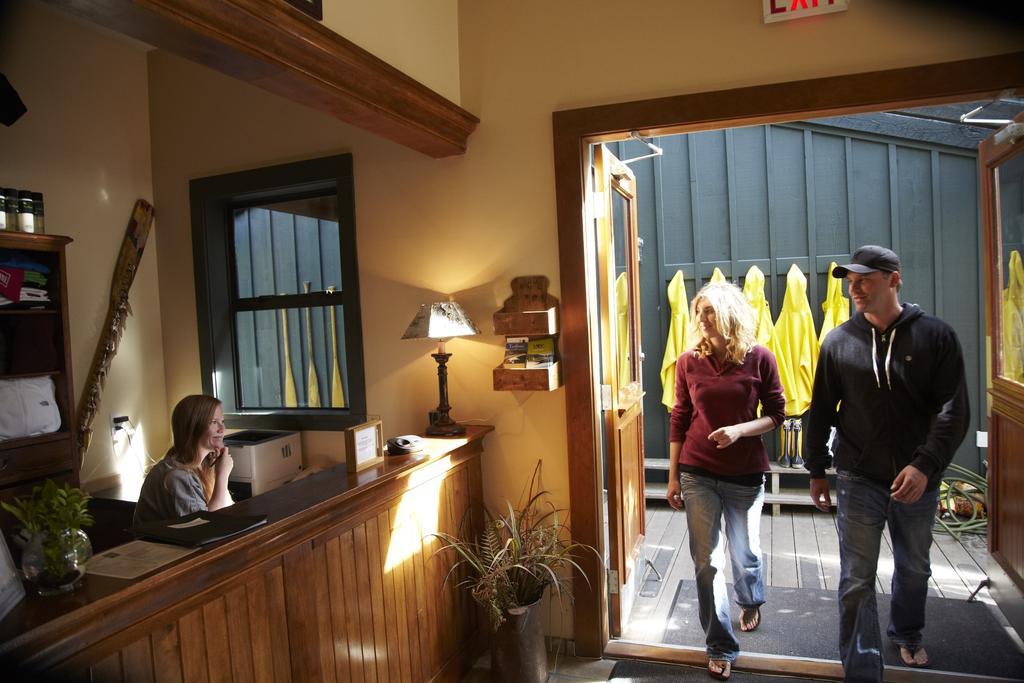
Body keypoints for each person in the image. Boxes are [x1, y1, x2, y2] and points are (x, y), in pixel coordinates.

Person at [805, 245, 969, 682]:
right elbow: (820, 409)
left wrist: (924, 466)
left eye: (865, 280)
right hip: (858, 477)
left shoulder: (936, 337)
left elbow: (954, 411)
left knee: (914, 568)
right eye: (850, 281)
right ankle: (861, 669)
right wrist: (817, 469)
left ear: (894, 280)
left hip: (918, 479)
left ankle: (908, 632)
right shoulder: (838, 341)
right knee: (857, 577)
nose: (854, 288)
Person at [666, 281, 786, 681]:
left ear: (730, 313)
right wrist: (673, 476)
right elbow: (680, 416)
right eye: (698, 312)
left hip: (745, 474)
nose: (701, 319)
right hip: (697, 471)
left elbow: (777, 414)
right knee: (707, 563)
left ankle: (750, 598)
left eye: (710, 311)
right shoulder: (687, 362)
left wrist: (739, 431)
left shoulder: (760, 358)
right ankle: (719, 644)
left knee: (745, 552)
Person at [133, 394, 234, 526]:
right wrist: (222, 476)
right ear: (193, 427)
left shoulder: (200, 464)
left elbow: (227, 508)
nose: (222, 429)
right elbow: (204, 528)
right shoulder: (179, 476)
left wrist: (217, 472)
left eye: (223, 421)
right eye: (214, 422)